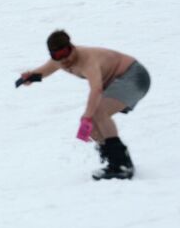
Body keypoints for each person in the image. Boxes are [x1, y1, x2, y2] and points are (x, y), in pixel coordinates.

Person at [15, 31, 148, 179]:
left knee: (97, 113)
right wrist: (30, 77)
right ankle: (116, 162)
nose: (64, 60)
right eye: (58, 56)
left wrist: (87, 116)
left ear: (71, 47)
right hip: (116, 82)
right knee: (93, 129)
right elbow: (43, 71)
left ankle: (122, 166)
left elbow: (96, 89)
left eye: (65, 53)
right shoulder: (59, 61)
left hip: (133, 76)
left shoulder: (87, 59)